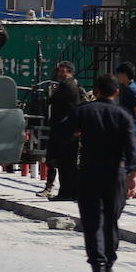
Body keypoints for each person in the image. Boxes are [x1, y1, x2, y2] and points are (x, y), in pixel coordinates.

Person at [55, 74, 136, 272]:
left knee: (92, 224)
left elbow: (62, 132)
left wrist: (76, 134)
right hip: (116, 174)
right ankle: (109, 261)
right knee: (111, 220)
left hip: (89, 171)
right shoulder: (123, 116)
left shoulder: (83, 111)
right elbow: (132, 149)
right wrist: (134, 175)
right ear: (116, 92)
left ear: (97, 91)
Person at [38, 60, 85, 200]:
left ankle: (66, 193)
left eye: (61, 71)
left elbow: (53, 100)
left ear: (68, 71)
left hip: (65, 130)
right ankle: (70, 192)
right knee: (66, 163)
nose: (59, 74)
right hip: (66, 129)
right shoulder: (69, 85)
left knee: (66, 164)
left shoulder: (67, 86)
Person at [115, 62, 136, 137]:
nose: (117, 76)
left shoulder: (130, 89)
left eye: (119, 74)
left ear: (124, 75)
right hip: (134, 127)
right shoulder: (134, 87)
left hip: (130, 128)